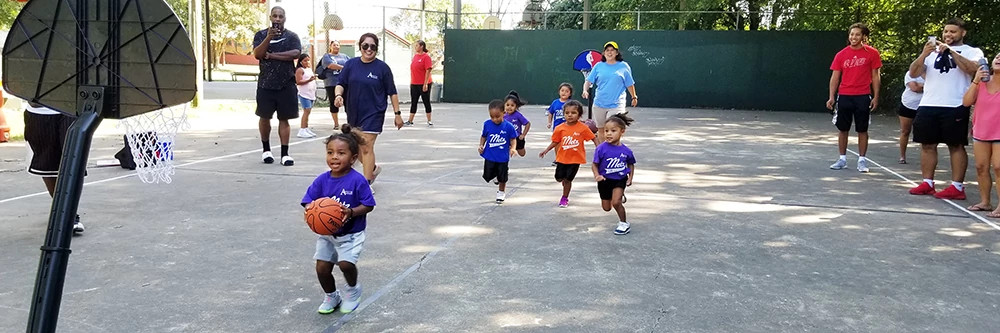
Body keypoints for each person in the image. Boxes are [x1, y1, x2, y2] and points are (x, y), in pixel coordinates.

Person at [908, 18, 985, 199]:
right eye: (946, 31)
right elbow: (913, 72)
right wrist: (923, 54)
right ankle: (928, 183)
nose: (948, 35)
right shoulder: (932, 52)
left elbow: (972, 69)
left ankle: (957, 187)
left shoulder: (972, 51)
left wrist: (951, 51)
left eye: (953, 31)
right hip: (928, 103)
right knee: (927, 144)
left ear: (962, 33)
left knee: (955, 145)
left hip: (955, 104)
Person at [302, 124, 376, 315]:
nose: (334, 157)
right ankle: (331, 295)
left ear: (352, 159)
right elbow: (308, 201)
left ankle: (353, 290)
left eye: (340, 153)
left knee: (345, 264)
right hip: (327, 234)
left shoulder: (358, 180)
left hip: (351, 233)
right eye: (330, 152)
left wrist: (351, 212)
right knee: (322, 268)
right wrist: (311, 211)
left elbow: (369, 205)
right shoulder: (322, 180)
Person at [333, 33, 404, 185]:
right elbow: (341, 83)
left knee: (366, 146)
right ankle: (372, 169)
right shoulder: (351, 65)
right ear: (360, 47)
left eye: (372, 46)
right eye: (365, 46)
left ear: (377, 48)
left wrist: (397, 114)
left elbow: (392, 92)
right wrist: (338, 95)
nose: (369, 49)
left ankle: (366, 184)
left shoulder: (382, 68)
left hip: (374, 113)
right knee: (357, 149)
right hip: (354, 112)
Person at [826, 23, 882, 173]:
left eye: (857, 34)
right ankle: (842, 159)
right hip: (844, 96)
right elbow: (835, 78)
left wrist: (876, 97)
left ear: (864, 36)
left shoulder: (872, 53)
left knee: (862, 129)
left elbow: (875, 76)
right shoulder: (841, 55)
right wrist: (832, 97)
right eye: (851, 34)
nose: (853, 37)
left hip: (863, 96)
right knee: (843, 129)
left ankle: (862, 161)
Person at [23, 103, 84, 234]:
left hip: (70, 109)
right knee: (48, 167)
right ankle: (61, 209)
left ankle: (70, 215)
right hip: (39, 111)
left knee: (73, 163)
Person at [252, 6, 301, 166]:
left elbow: (295, 54)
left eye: (280, 16)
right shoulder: (260, 35)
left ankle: (285, 154)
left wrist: (272, 55)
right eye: (275, 16)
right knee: (264, 118)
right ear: (270, 17)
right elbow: (258, 54)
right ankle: (266, 150)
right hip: (266, 84)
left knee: (284, 119)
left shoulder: (292, 36)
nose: (278, 19)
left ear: (285, 18)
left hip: (286, 84)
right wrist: (268, 38)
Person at [539, 100, 600, 208]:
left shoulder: (583, 128)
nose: (570, 115)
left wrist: (599, 149)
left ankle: (564, 198)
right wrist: (546, 150)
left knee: (568, 180)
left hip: (575, 159)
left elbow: (593, 138)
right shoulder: (560, 128)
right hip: (562, 158)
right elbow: (556, 141)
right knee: (559, 178)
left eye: (573, 113)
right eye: (567, 113)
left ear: (579, 115)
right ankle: (563, 181)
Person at [964, 52, 1000, 215]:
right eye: (997, 56)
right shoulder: (982, 82)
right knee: (981, 167)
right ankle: (985, 202)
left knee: (999, 168)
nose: (998, 59)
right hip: (981, 131)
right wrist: (976, 80)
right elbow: (966, 102)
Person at [582, 41, 638, 144]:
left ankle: (613, 150)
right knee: (601, 129)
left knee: (613, 127)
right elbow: (588, 81)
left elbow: (630, 84)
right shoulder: (598, 66)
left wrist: (634, 97)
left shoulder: (624, 66)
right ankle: (602, 151)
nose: (610, 52)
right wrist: (585, 90)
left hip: (616, 104)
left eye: (612, 50)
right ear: (604, 53)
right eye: (607, 50)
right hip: (599, 103)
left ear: (617, 53)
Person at [593, 113, 636, 235]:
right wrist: (597, 175)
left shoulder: (626, 151)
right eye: (606, 131)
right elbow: (594, 164)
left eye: (613, 130)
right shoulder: (601, 148)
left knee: (616, 202)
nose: (608, 133)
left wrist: (630, 178)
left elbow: (631, 164)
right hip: (604, 180)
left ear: (622, 132)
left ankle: (623, 223)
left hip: (619, 179)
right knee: (606, 208)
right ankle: (616, 196)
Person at [479, 100, 518, 204]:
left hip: (502, 157)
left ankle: (501, 192)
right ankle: (494, 176)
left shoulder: (508, 127)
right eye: (492, 117)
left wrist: (513, 148)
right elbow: (483, 136)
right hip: (490, 155)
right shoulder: (487, 124)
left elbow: (513, 139)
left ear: (503, 113)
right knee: (487, 175)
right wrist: (481, 145)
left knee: (502, 177)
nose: (495, 119)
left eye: (497, 116)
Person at [320, 41, 350, 128]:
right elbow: (330, 65)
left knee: (348, 102)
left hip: (345, 83)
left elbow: (351, 64)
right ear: (330, 46)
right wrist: (343, 68)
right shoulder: (327, 56)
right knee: (334, 103)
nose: (336, 46)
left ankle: (350, 122)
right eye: (334, 45)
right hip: (331, 83)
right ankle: (336, 124)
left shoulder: (345, 56)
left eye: (337, 45)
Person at [898, 71, 925, 164]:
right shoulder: (910, 73)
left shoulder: (932, 75)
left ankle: (926, 158)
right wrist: (925, 86)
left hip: (924, 106)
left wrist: (921, 85)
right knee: (905, 131)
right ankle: (902, 156)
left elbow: (935, 88)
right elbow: (915, 88)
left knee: (924, 134)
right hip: (908, 105)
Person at [405, 40, 434, 127]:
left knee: (426, 101)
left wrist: (425, 84)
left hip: (424, 83)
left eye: (417, 45)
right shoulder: (415, 56)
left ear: (421, 46)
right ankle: (410, 120)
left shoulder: (426, 57)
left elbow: (428, 70)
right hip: (414, 83)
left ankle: (429, 120)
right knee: (414, 101)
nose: (415, 47)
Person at [296, 54, 319, 138]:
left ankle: (306, 128)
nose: (307, 62)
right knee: (306, 110)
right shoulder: (300, 70)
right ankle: (302, 129)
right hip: (304, 94)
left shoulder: (309, 69)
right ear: (301, 62)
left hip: (311, 94)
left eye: (308, 60)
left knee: (308, 111)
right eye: (305, 60)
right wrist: (309, 80)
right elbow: (298, 81)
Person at [503, 91, 531, 157]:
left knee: (522, 154)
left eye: (512, 105)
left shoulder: (518, 115)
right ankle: (510, 148)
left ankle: (515, 147)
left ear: (516, 106)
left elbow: (527, 124)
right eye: (507, 105)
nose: (509, 107)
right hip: (507, 137)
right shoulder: (503, 115)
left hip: (517, 137)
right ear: (504, 105)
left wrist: (523, 135)